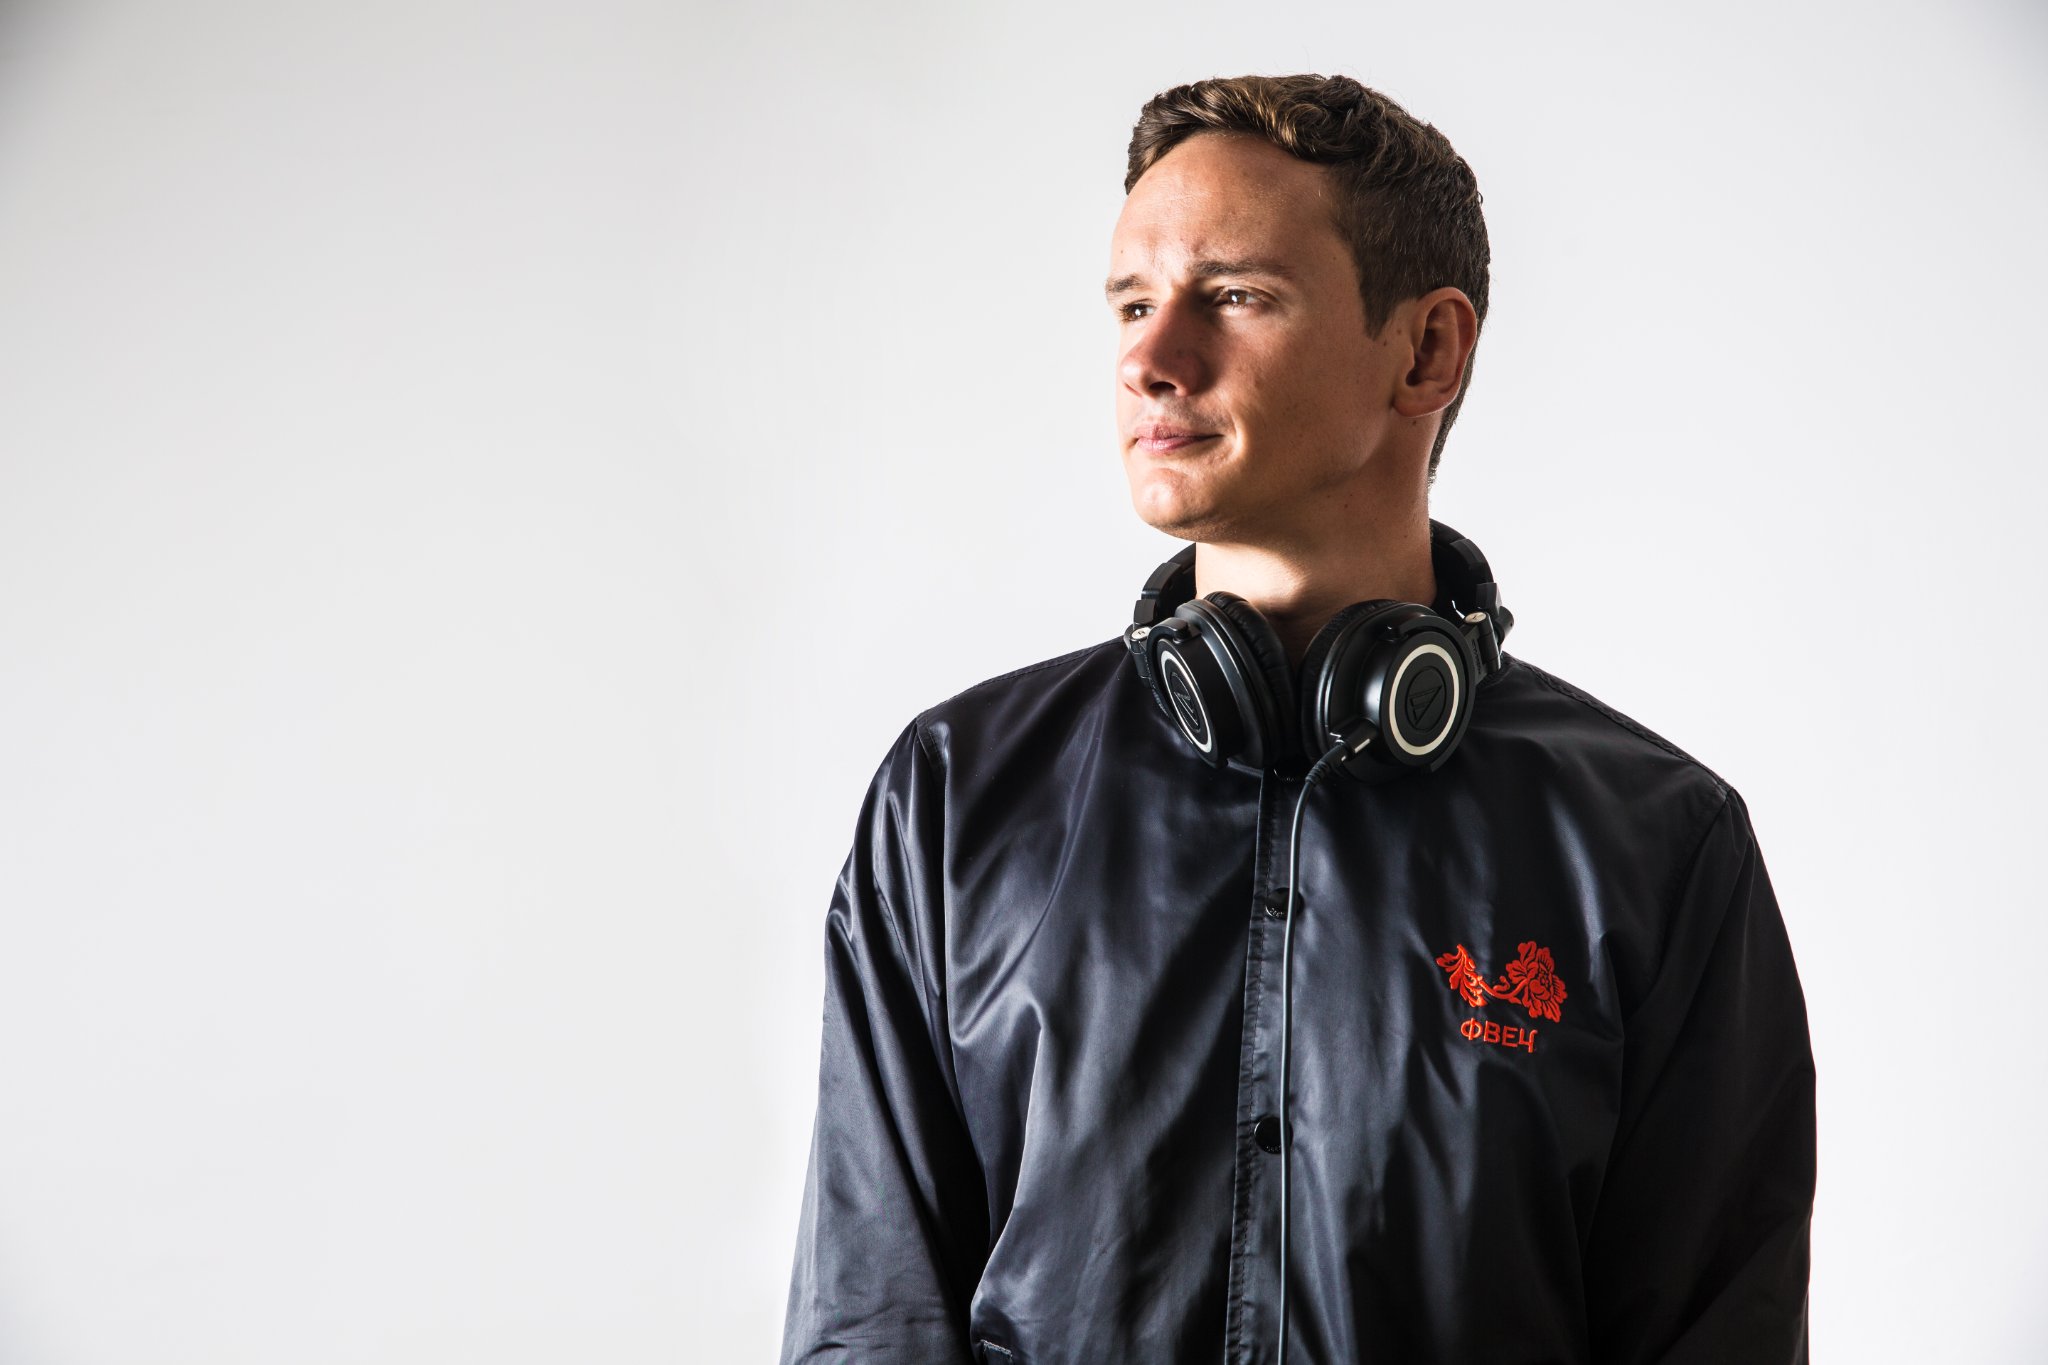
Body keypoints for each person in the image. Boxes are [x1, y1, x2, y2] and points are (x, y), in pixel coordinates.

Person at [777, 73, 1816, 1365]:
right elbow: (869, 1326)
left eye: (1234, 296)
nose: (1151, 360)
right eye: (1134, 304)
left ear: (1425, 353)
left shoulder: (1658, 846)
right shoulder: (955, 799)